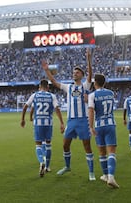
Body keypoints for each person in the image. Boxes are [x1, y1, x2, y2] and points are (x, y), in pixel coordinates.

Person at [42, 48, 96, 181]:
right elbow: (54, 82)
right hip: (71, 121)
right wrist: (47, 70)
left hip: (83, 120)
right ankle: (67, 166)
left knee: (87, 146)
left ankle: (91, 172)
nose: (74, 74)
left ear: (81, 76)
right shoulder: (68, 87)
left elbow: (90, 75)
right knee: (65, 145)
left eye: (77, 73)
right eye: (74, 72)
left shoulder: (85, 86)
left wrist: (88, 58)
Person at [20, 79, 65, 177]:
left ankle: (41, 161)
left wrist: (23, 119)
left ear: (39, 87)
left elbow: (25, 107)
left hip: (38, 123)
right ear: (48, 87)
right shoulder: (52, 96)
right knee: (48, 145)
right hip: (48, 123)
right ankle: (47, 166)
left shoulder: (35, 95)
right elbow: (57, 109)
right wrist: (62, 123)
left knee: (38, 145)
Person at [88, 73, 119, 188]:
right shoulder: (111, 93)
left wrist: (91, 127)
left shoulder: (93, 95)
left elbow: (91, 111)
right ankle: (111, 177)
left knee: (102, 152)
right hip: (110, 124)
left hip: (99, 125)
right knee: (111, 152)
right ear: (104, 83)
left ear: (95, 83)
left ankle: (105, 175)